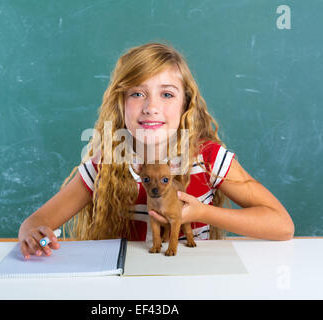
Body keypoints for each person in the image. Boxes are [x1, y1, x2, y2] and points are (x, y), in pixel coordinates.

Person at [18, 42, 294, 259]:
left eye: (167, 94)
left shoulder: (207, 158)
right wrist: (35, 235)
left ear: (186, 103)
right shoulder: (107, 163)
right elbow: (36, 222)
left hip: (195, 280)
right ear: (120, 103)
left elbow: (282, 225)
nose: (151, 107)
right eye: (137, 94)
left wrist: (202, 214)